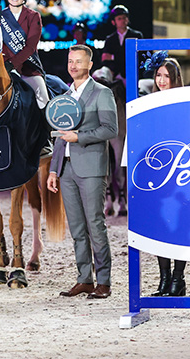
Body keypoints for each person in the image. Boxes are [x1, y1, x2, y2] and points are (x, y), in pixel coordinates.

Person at [47, 44, 118, 299]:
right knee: (77, 228)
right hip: (66, 169)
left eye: (78, 61)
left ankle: (104, 282)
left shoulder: (102, 93)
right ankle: (85, 279)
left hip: (91, 168)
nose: (73, 65)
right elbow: (59, 136)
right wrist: (53, 170)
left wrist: (80, 137)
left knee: (95, 225)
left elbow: (111, 129)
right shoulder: (65, 96)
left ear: (89, 64)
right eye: (70, 61)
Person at [145, 52, 189, 296]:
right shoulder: (148, 104)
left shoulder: (184, 104)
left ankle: (177, 278)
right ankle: (164, 279)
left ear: (175, 78)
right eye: (158, 75)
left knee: (180, 226)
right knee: (159, 225)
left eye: (166, 76)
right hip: (157, 173)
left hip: (180, 173)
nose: (161, 80)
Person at [0, 0, 49, 109]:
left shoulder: (34, 16)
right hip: (3, 70)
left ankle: (47, 123)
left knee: (43, 100)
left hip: (28, 69)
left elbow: (30, 47)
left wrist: (12, 64)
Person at [101, 5, 144, 84]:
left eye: (124, 17)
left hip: (133, 74)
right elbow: (105, 58)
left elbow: (139, 57)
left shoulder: (137, 36)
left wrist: (113, 57)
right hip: (115, 76)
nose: (123, 20)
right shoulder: (110, 39)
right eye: (119, 18)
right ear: (113, 22)